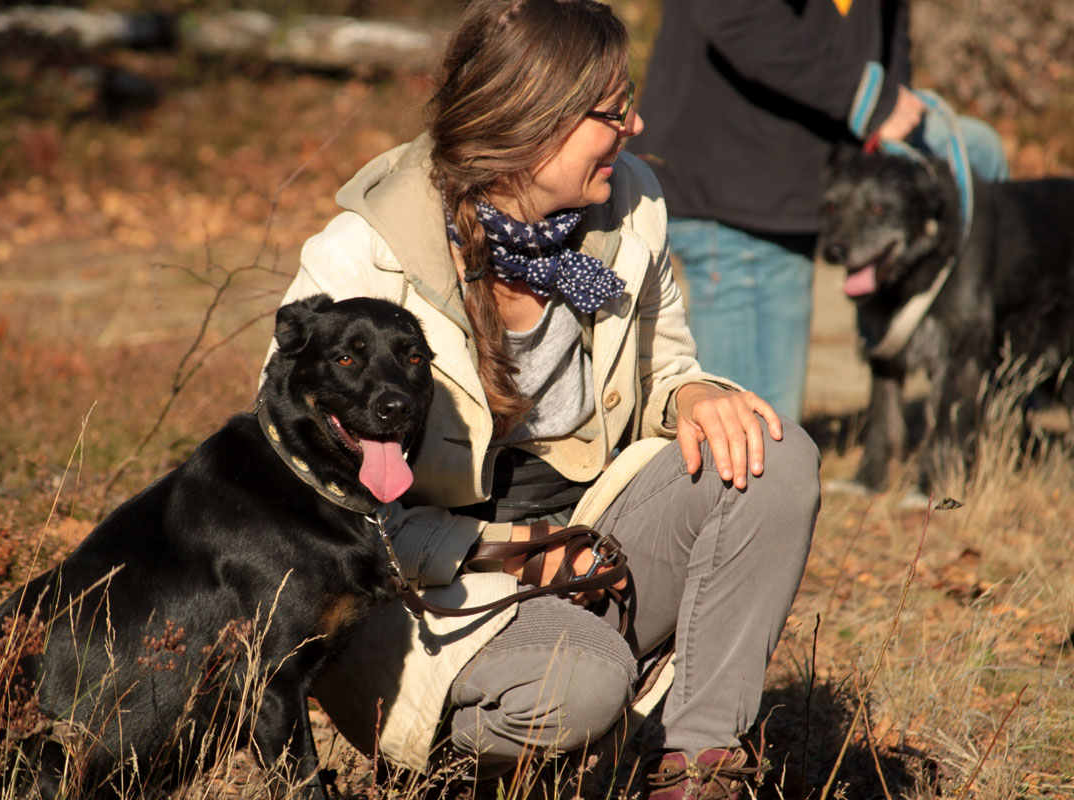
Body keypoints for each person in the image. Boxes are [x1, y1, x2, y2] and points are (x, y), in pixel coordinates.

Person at [261, 1, 820, 798]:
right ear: (532, 119)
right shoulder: (366, 253)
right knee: (580, 680)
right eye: (613, 110)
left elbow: (665, 363)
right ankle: (480, 767)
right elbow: (296, 489)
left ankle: (696, 767)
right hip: (415, 585)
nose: (635, 126)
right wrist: (513, 550)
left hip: (590, 535)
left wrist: (696, 392)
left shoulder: (628, 204)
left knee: (772, 458)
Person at [630, 0, 1009, 423]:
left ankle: (1009, 387)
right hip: (738, 186)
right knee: (754, 441)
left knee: (979, 151)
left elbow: (887, 24)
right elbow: (733, 12)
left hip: (814, 162)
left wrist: (889, 106)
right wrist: (867, 97)